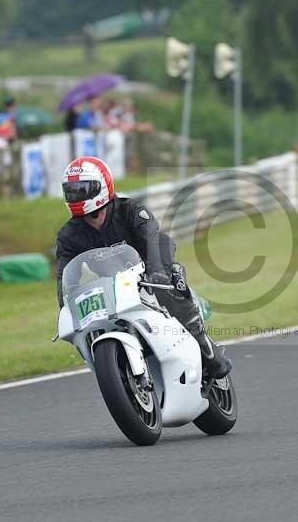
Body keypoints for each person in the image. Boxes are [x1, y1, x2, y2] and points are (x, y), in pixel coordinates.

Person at [55, 156, 232, 380]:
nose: (76, 196)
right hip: (113, 282)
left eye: (82, 190)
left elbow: (151, 239)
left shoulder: (130, 209)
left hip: (149, 265)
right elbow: (64, 274)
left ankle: (206, 348)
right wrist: (65, 306)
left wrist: (157, 272)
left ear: (102, 186)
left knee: (166, 283)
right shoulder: (69, 235)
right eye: (71, 191)